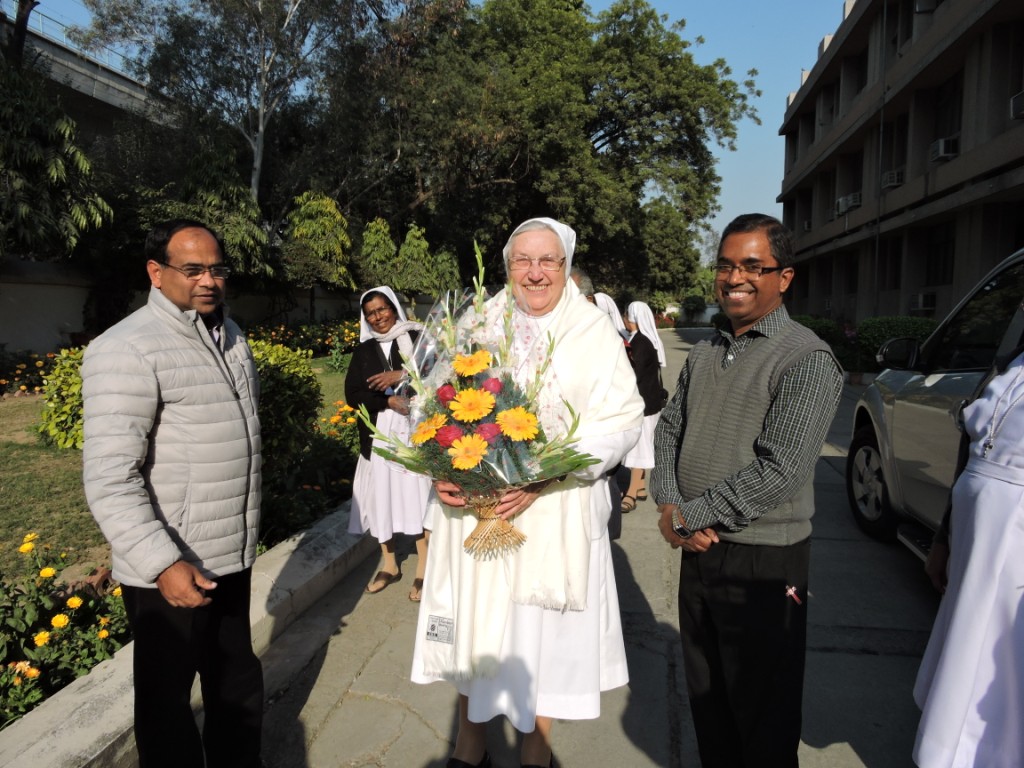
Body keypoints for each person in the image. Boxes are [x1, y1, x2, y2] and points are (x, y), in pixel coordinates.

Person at [411, 217, 645, 768]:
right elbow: (434, 407)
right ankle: (471, 745)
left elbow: (624, 421)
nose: (535, 273)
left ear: (566, 267)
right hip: (478, 507)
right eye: (523, 261)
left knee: (544, 637)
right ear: (507, 266)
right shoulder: (478, 323)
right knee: (477, 623)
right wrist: (440, 468)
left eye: (548, 261)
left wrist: (547, 473)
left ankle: (536, 750)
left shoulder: (592, 332)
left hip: (555, 505)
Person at [651, 213, 843, 768]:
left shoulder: (806, 359)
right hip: (698, 551)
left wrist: (692, 514)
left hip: (765, 562)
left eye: (753, 266)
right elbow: (670, 427)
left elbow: (779, 469)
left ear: (784, 277)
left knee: (763, 717)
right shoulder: (710, 348)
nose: (736, 277)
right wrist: (669, 504)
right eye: (727, 265)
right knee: (710, 705)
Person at [81, 219, 264, 768]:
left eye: (216, 268)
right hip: (171, 566)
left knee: (236, 685)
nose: (208, 280)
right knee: (166, 706)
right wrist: (164, 564)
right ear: (156, 273)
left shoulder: (230, 334)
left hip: (229, 551)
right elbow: (111, 478)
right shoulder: (127, 348)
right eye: (192, 269)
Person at [913, 327, 1024, 768]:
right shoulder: (1014, 354)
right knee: (963, 669)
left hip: (1014, 559)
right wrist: (943, 538)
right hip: (975, 549)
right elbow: (974, 454)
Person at [346, 286, 432, 600]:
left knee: (417, 497)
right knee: (382, 498)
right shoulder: (363, 351)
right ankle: (390, 563)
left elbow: (438, 374)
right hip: (378, 436)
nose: (378, 316)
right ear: (365, 318)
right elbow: (353, 394)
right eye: (371, 312)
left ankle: (424, 566)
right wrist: (386, 403)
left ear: (393, 308)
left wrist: (401, 374)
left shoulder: (417, 338)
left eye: (383, 309)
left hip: (415, 433)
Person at [620, 300, 667, 512]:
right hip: (650, 403)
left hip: (643, 405)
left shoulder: (640, 342)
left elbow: (633, 374)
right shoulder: (645, 339)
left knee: (638, 447)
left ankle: (630, 493)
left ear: (632, 318)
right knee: (642, 444)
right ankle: (639, 487)